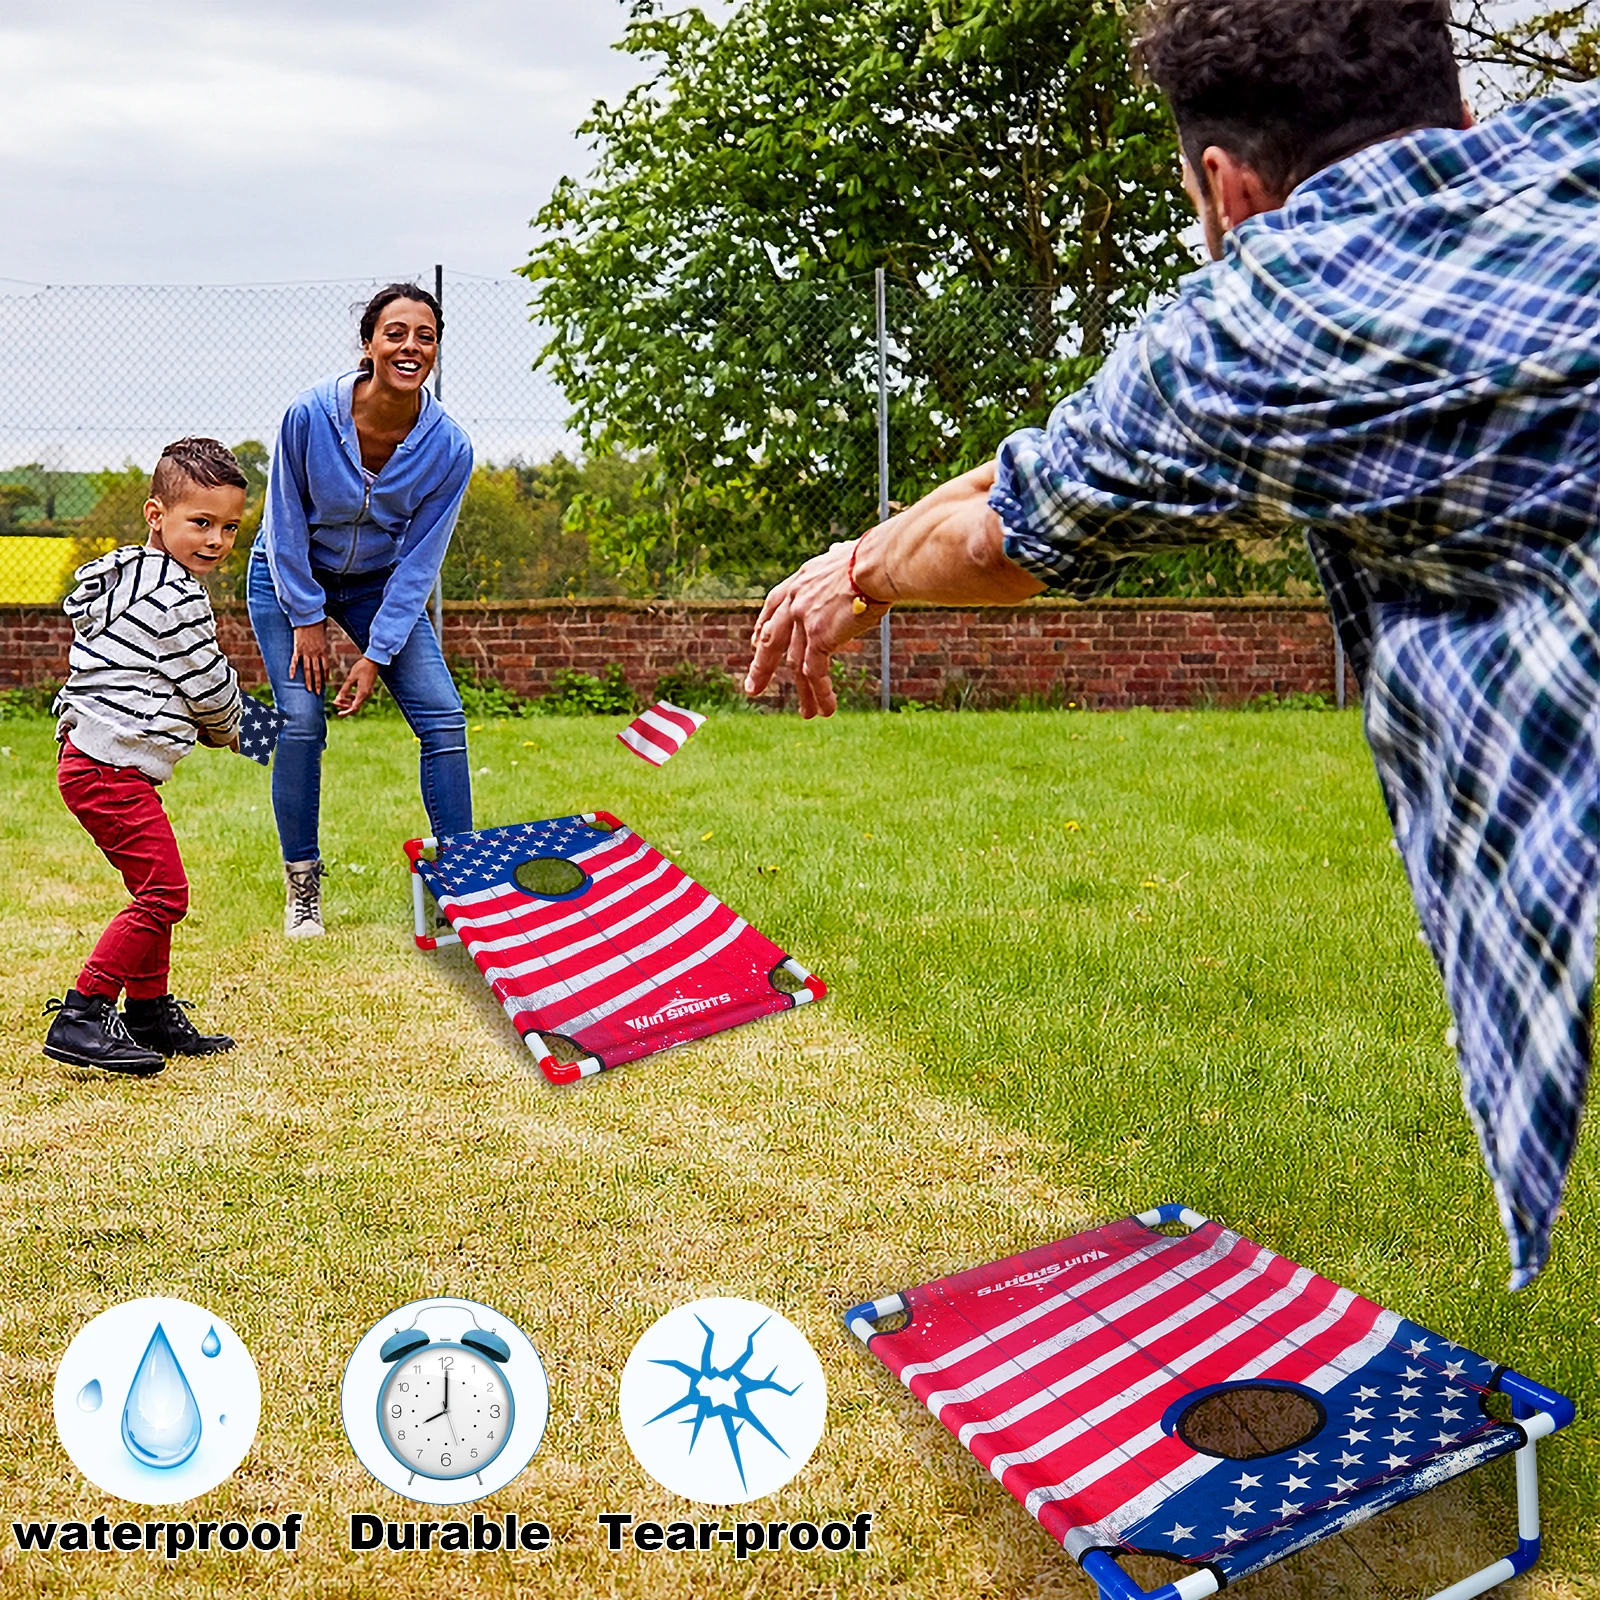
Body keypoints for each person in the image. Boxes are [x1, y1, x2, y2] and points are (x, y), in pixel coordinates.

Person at [745, 0, 1598, 1288]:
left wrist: (858, 574)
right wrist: (865, 549)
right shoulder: (1569, 147)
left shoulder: (1266, 322)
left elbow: (1002, 541)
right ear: (1455, 106)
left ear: (1224, 185)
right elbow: (1059, 463)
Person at [249, 283, 474, 938]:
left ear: (435, 349)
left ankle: (460, 891)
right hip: (286, 576)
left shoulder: (449, 448)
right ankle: (303, 887)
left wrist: (377, 654)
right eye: (396, 332)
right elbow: (284, 523)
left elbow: (421, 563)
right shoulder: (309, 416)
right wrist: (306, 618)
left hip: (377, 582)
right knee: (299, 721)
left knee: (444, 718)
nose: (410, 347)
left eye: (424, 336)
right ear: (370, 343)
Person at [44, 437, 246, 1075]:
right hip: (108, 769)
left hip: (96, 761)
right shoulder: (178, 597)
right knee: (164, 893)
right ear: (156, 515)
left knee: (152, 886)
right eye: (201, 523)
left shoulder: (129, 575)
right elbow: (207, 684)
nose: (215, 540)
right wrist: (255, 733)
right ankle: (83, 1011)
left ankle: (150, 1013)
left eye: (230, 527)